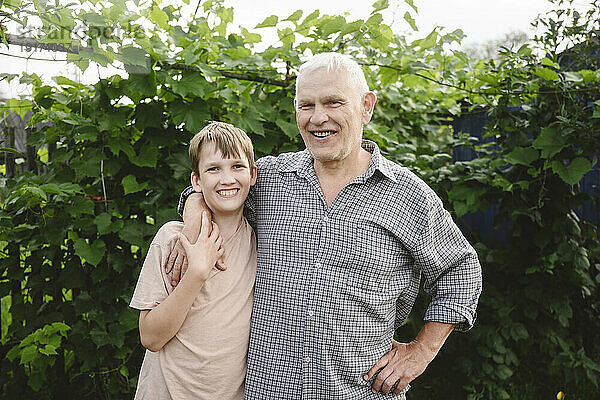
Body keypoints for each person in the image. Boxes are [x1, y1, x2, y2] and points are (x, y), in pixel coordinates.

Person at [169, 53, 483, 399]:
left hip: (360, 393)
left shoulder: (408, 196)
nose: (319, 118)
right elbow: (211, 187)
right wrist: (193, 222)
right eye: (307, 105)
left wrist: (422, 351)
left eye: (333, 102)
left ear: (366, 107)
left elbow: (461, 270)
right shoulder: (271, 179)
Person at [129, 121, 258, 399]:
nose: (227, 179)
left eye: (237, 166)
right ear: (196, 181)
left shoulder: (260, 241)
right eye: (213, 169)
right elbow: (150, 337)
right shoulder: (173, 240)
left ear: (253, 174)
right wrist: (196, 273)